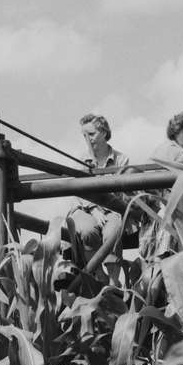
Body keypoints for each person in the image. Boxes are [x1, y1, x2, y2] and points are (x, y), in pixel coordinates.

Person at [51, 113, 130, 271]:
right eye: (84, 135)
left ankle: (114, 282)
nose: (88, 139)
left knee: (112, 232)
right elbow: (79, 191)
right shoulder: (80, 160)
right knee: (86, 230)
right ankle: (97, 273)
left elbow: (122, 192)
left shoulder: (121, 159)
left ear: (104, 133)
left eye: (92, 134)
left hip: (112, 208)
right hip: (85, 207)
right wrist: (93, 209)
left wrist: (105, 209)